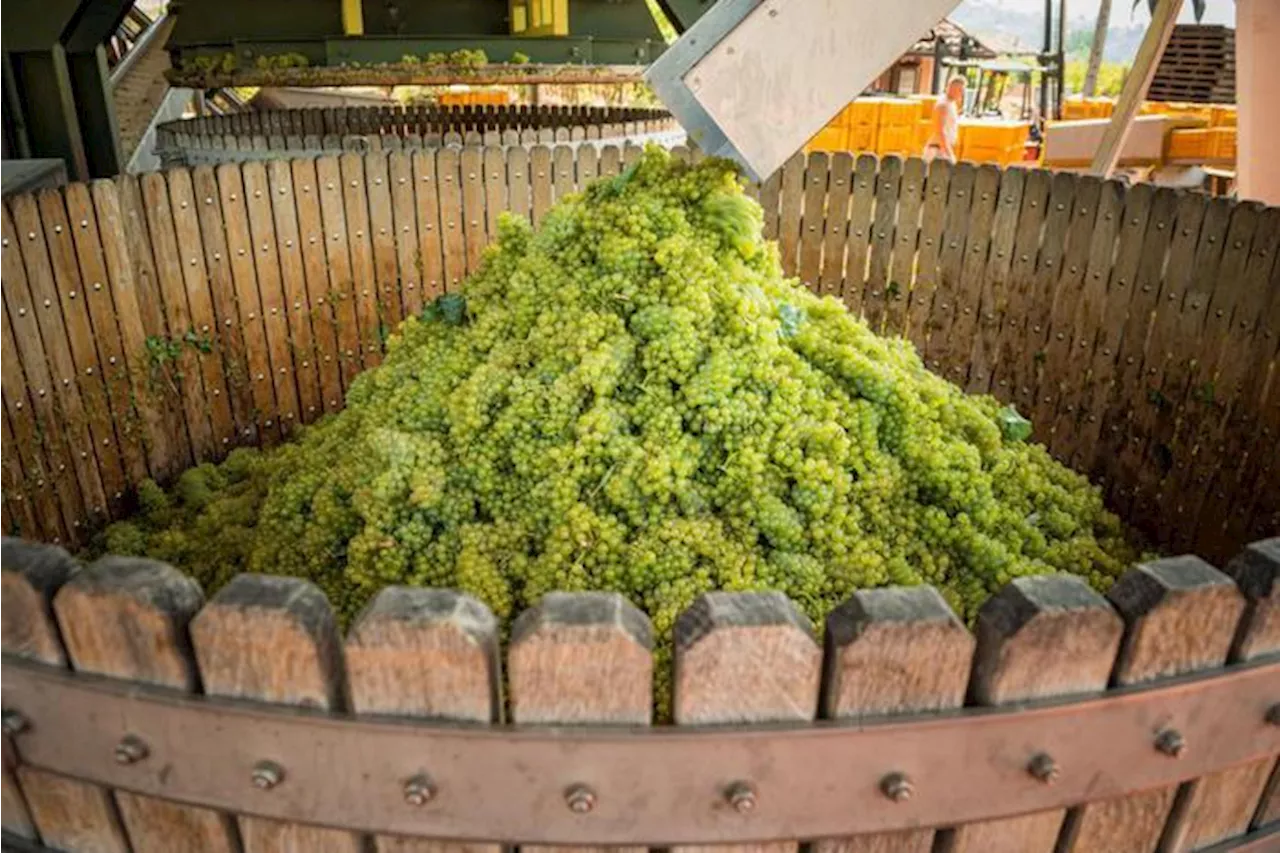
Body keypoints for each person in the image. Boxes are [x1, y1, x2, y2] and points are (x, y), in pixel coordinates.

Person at [924, 76, 965, 163]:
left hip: (942, 149)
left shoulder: (951, 103)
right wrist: (949, 154)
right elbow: (940, 131)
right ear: (952, 88)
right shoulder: (943, 105)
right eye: (960, 90)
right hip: (937, 150)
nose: (961, 93)